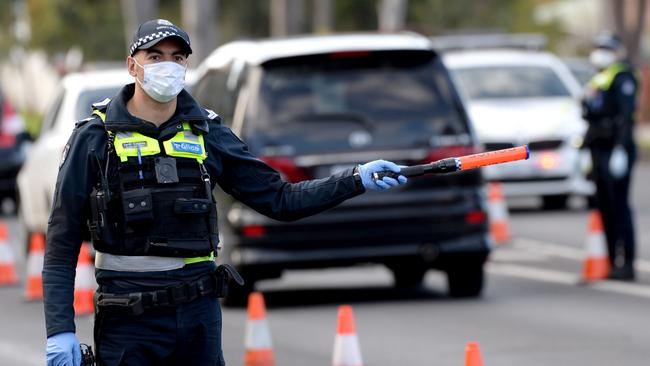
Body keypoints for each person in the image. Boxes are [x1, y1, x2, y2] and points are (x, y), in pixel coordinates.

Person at [43, 19, 407, 366]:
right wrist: (60, 330)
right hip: (129, 320)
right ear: (132, 66)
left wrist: (355, 178)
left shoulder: (207, 132)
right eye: (155, 57)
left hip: (197, 320)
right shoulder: (94, 138)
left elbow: (279, 199)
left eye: (177, 58)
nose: (167, 66)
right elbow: (61, 243)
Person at [582, 33, 638, 281]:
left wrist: (619, 149)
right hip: (598, 149)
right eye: (599, 47)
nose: (601, 52)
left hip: (616, 149)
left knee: (619, 206)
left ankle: (627, 262)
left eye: (606, 48)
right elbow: (591, 116)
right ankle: (609, 260)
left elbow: (625, 118)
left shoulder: (623, 76)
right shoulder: (598, 78)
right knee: (603, 206)